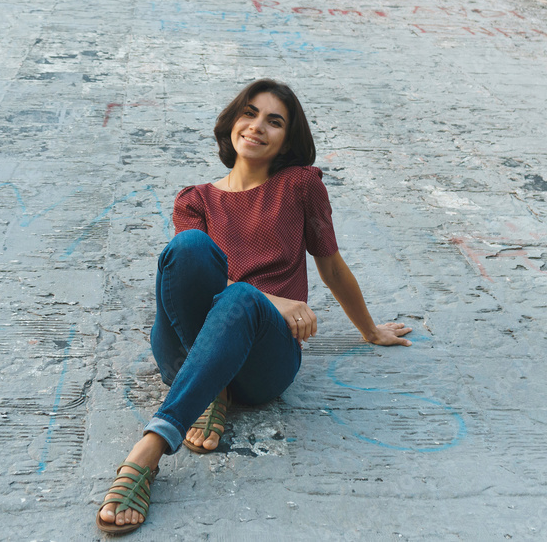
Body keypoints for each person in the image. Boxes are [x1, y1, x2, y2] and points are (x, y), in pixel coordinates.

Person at [96, 79, 413, 534]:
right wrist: (278, 299)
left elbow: (331, 265)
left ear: (288, 139)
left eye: (274, 121)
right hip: (187, 347)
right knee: (187, 249)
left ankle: (147, 452)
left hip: (265, 360)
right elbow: (187, 282)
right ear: (232, 121)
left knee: (242, 296)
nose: (257, 126)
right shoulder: (195, 199)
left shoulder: (300, 185)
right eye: (250, 113)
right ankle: (210, 390)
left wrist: (369, 330)